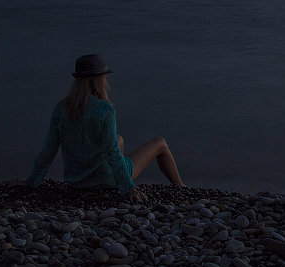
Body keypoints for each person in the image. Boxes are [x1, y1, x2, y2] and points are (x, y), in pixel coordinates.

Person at [26, 54, 185, 202]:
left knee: (118, 139)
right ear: (99, 80)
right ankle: (180, 186)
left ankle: (119, 176)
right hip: (105, 180)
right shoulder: (105, 109)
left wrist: (32, 182)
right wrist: (128, 188)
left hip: (75, 181)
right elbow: (112, 153)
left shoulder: (61, 108)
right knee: (160, 143)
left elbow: (48, 150)